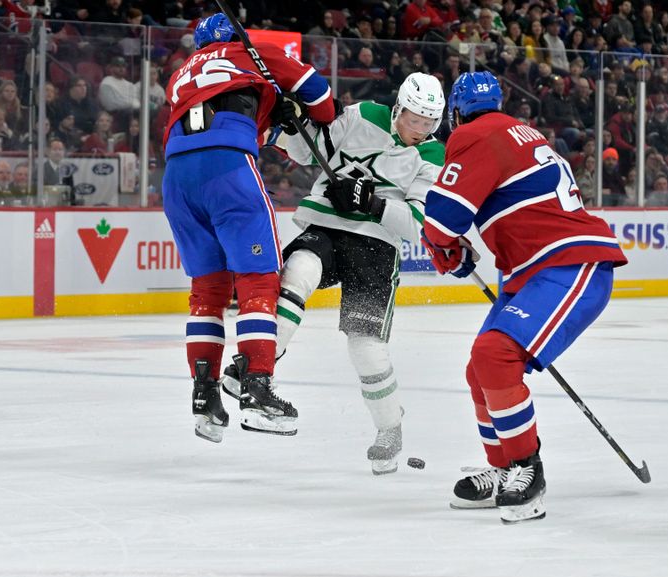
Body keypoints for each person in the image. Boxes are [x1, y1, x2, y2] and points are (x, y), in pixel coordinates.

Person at [421, 72, 627, 523]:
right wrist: (451, 247)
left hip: (569, 263)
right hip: (536, 268)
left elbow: (441, 220)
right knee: (481, 368)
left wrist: (444, 247)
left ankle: (525, 469)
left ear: (456, 113)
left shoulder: (476, 134)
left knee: (494, 355)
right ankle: (502, 468)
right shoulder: (517, 131)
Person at [222, 72, 446, 475]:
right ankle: (256, 372)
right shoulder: (363, 115)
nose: (420, 129)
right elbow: (312, 151)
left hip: (377, 246)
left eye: (429, 123)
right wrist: (288, 125)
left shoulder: (432, 155)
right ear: (399, 108)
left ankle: (389, 427)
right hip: (326, 226)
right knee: (295, 277)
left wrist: (373, 204)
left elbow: (417, 223)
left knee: (364, 345)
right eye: (415, 119)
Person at [162, 12, 335, 442]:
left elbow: (232, 103)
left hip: (176, 176)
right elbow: (324, 100)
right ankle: (257, 387)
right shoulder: (253, 52)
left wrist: (274, 108)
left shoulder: (181, 74)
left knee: (207, 290)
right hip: (227, 165)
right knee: (259, 278)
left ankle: (204, 396)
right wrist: (293, 105)